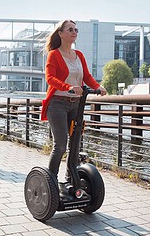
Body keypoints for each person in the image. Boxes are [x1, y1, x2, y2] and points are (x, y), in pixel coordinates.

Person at [41, 19, 107, 183]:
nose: (74, 32)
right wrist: (68, 86)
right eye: (70, 29)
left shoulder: (79, 55)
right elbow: (50, 78)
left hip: (76, 104)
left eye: (76, 30)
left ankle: (71, 179)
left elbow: (86, 76)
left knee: (76, 145)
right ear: (61, 33)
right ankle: (51, 182)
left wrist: (98, 87)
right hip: (57, 104)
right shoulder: (54, 54)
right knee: (61, 145)